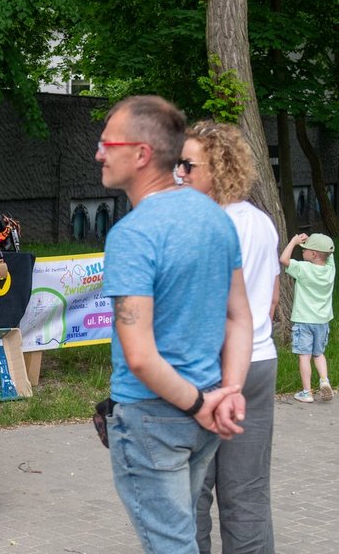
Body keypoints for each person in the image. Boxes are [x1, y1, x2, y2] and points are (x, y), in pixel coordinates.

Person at [97, 96, 253, 554]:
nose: (99, 153)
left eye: (108, 143)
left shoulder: (132, 235)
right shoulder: (215, 217)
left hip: (156, 417)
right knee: (182, 540)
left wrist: (204, 403)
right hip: (203, 411)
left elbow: (140, 356)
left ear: (142, 154)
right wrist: (231, 391)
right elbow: (241, 316)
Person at [178, 121, 280, 554]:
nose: (178, 172)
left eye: (189, 165)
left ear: (217, 169)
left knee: (190, 493)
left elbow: (201, 309)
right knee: (248, 493)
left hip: (210, 369)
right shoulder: (261, 222)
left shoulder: (206, 226)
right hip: (258, 363)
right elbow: (270, 301)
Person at [279, 232, 335, 404]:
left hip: (304, 321)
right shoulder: (330, 270)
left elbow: (283, 260)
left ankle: (306, 392)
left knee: (304, 356)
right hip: (322, 321)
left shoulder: (303, 268)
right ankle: (324, 381)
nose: (302, 251)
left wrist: (294, 242)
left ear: (313, 254)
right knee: (319, 354)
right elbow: (330, 254)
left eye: (305, 249)